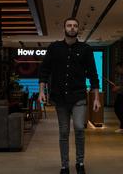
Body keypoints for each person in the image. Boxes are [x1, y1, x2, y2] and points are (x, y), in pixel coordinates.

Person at [38, 17, 101, 174]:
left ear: (78, 29)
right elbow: (44, 70)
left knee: (79, 128)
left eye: (75, 26)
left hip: (78, 96)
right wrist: (41, 91)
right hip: (60, 97)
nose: (72, 28)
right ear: (64, 28)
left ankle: (80, 163)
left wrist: (96, 98)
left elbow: (93, 75)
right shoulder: (54, 48)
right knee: (64, 132)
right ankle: (64, 166)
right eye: (69, 25)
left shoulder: (85, 49)